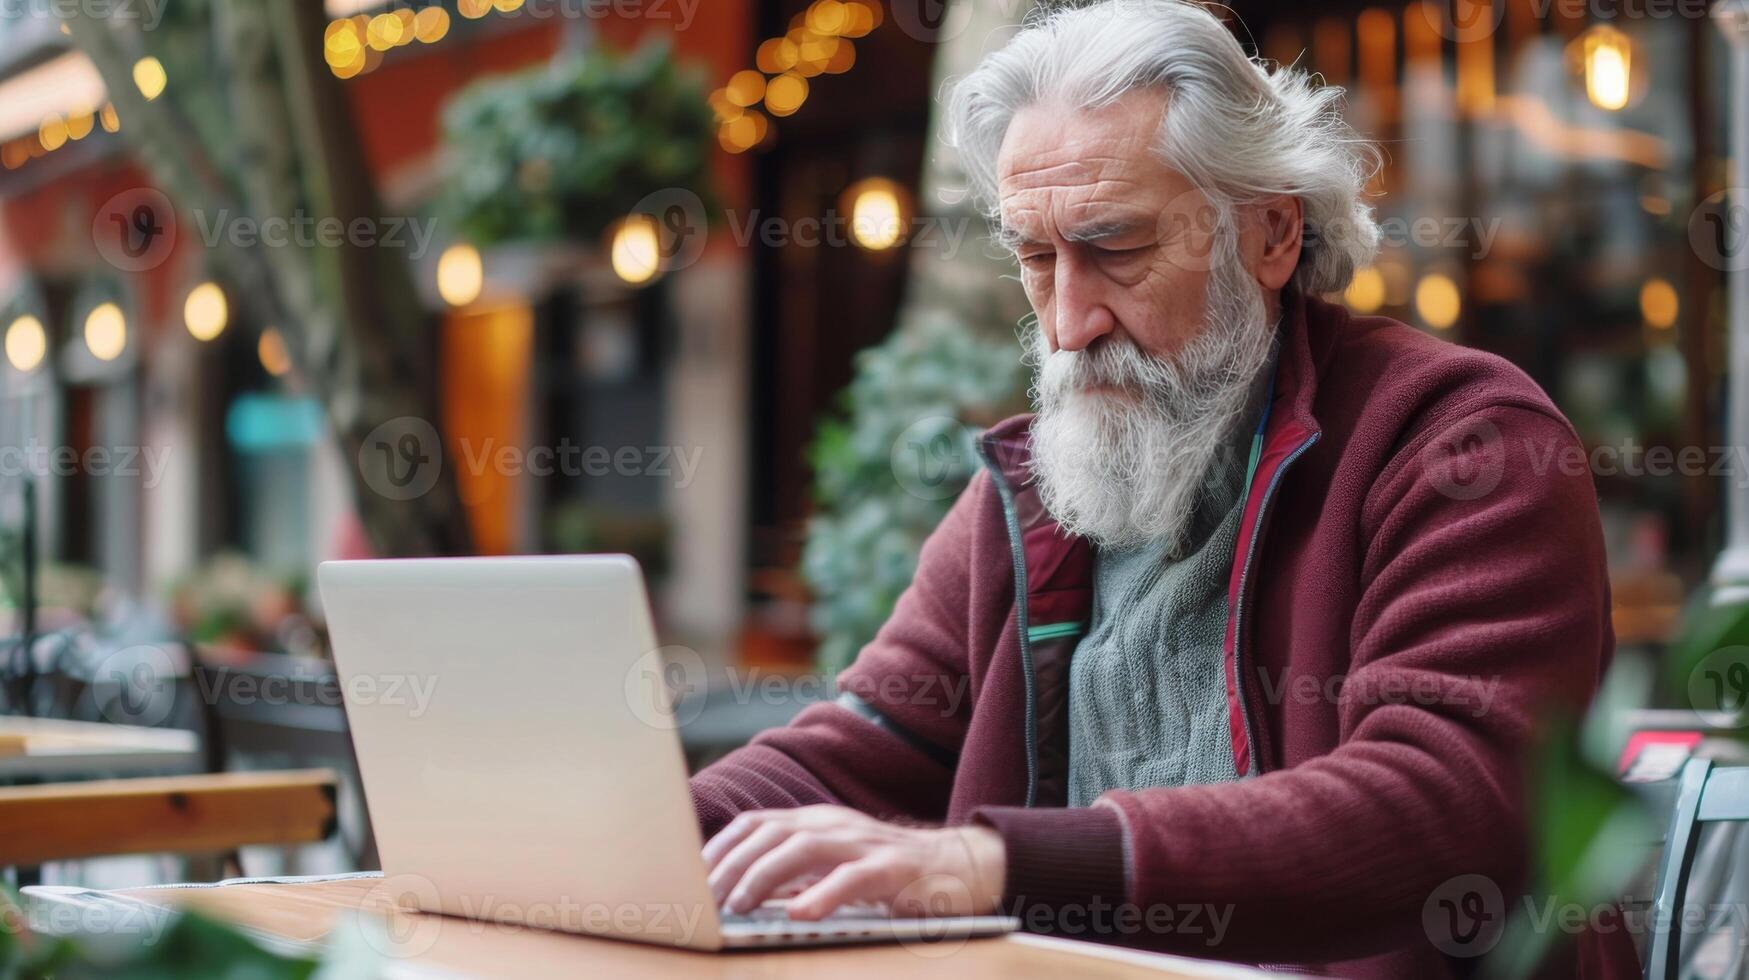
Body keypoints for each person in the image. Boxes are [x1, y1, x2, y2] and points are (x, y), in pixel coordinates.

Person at [692, 2, 1626, 974]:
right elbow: (860, 744)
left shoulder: (1461, 443)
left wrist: (997, 864)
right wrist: (635, 831)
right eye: (1036, 258)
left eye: (1117, 249)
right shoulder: (1037, 485)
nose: (1067, 321)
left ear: (1269, 233)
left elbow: (1454, 803)